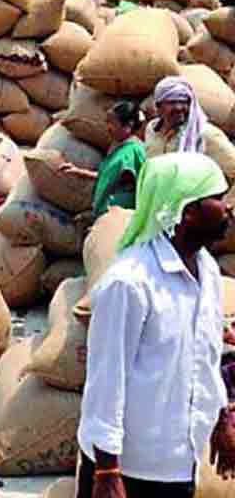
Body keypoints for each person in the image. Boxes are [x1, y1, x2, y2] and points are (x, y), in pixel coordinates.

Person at [77, 153, 235, 498]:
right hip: (130, 469)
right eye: (218, 198)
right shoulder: (130, 283)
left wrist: (221, 419)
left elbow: (205, 356)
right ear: (186, 211)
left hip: (178, 461)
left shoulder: (206, 269)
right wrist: (106, 470)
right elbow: (106, 380)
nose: (228, 208)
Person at [60, 102, 148, 218]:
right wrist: (78, 171)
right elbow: (109, 176)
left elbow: (140, 184)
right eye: (107, 122)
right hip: (107, 214)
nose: (108, 127)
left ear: (128, 125)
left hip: (120, 218)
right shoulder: (120, 148)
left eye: (112, 122)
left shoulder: (133, 151)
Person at [146, 77, 235, 181]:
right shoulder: (151, 130)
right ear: (158, 106)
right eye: (172, 102)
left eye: (184, 102)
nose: (179, 107)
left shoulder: (205, 134)